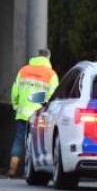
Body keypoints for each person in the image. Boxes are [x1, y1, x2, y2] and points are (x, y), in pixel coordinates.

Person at [7, 48, 58, 177]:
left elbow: (15, 91)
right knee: (37, 143)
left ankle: (12, 169)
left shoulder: (23, 70)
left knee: (19, 140)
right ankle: (31, 172)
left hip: (22, 113)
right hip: (40, 115)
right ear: (48, 58)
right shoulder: (51, 75)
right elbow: (53, 97)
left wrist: (16, 106)